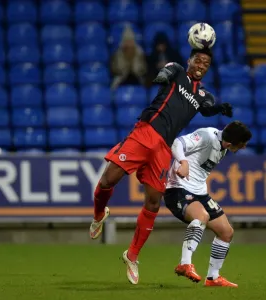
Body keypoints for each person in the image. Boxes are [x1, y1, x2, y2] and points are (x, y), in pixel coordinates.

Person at [89, 47, 233, 285]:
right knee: (107, 181)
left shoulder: (204, 95)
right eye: (198, 60)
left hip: (163, 149)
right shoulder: (176, 70)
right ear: (190, 60)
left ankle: (132, 256)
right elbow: (162, 74)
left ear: (208, 68)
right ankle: (98, 214)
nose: (201, 65)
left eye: (206, 63)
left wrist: (219, 108)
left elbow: (206, 108)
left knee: (154, 202)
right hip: (145, 133)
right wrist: (162, 77)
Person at [164, 121, 252, 287]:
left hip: (199, 193)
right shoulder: (207, 135)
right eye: (241, 145)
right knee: (201, 216)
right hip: (178, 189)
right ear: (230, 143)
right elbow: (177, 143)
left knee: (226, 232)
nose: (244, 148)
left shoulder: (224, 146)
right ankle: (185, 263)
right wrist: (183, 162)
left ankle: (213, 278)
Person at [111, 25, 147, 90]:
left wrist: (135, 67)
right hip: (121, 77)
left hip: (137, 76)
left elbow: (144, 69)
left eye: (130, 41)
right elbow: (114, 69)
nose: (129, 43)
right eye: (126, 41)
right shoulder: (118, 53)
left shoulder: (140, 52)